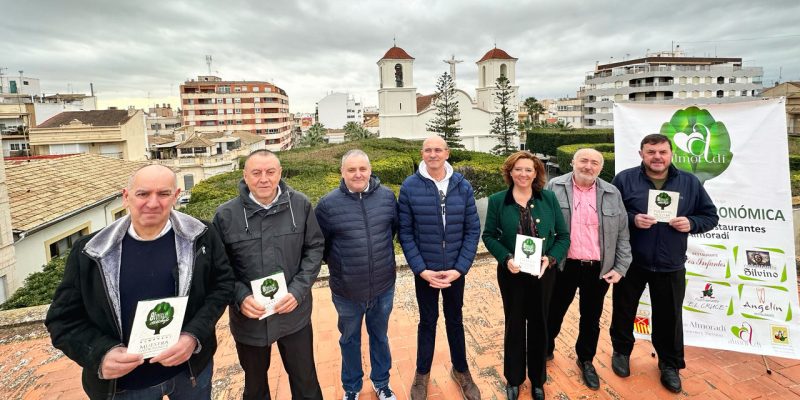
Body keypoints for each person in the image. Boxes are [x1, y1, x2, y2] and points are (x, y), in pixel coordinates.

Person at [45, 165, 234, 400]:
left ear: (176, 196)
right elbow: (62, 320)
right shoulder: (90, 251)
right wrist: (100, 354)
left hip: (190, 373)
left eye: (163, 194)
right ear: (126, 197)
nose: (153, 203)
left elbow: (222, 286)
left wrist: (192, 336)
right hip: (126, 387)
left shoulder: (202, 235)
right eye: (143, 194)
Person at [609, 134, 718, 393]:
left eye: (662, 152)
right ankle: (621, 352)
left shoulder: (689, 182)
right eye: (651, 152)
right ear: (641, 154)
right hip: (631, 261)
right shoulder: (624, 179)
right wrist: (632, 219)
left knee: (669, 317)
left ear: (671, 154)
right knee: (623, 310)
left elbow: (710, 216)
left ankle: (670, 364)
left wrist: (691, 223)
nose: (657, 157)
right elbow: (610, 213)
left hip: (670, 263)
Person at [212, 149, 324, 400]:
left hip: (294, 314)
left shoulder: (300, 205)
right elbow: (219, 267)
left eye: (270, 172)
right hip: (250, 320)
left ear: (280, 173)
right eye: (257, 172)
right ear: (245, 175)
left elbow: (315, 248)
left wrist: (298, 291)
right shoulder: (225, 215)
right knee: (255, 388)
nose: (264, 178)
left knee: (305, 382)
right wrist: (240, 297)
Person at [398, 136, 482, 400]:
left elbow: (472, 230)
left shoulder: (462, 185)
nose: (433, 154)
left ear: (447, 153)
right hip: (426, 271)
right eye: (428, 150)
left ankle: (461, 370)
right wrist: (421, 269)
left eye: (438, 150)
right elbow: (405, 233)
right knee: (427, 321)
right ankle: (422, 373)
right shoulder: (410, 187)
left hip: (455, 270)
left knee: (455, 320)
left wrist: (460, 268)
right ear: (422, 153)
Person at [482, 151, 570, 400]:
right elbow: (489, 235)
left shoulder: (548, 198)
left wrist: (550, 258)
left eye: (528, 169)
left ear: (536, 173)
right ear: (510, 172)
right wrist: (505, 258)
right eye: (518, 169)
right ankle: (514, 378)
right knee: (514, 324)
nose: (523, 174)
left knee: (540, 323)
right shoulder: (497, 201)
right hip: (512, 274)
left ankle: (538, 380)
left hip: (543, 274)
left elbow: (563, 236)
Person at [544, 148, 631, 390]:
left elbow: (623, 233)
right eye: (584, 160)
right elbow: (541, 224)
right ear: (573, 162)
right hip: (563, 265)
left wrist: (621, 266)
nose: (588, 166)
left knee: (591, 318)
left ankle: (585, 359)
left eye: (594, 163)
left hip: (598, 268)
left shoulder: (612, 192)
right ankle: (545, 349)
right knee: (553, 312)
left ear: (600, 168)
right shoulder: (554, 187)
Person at [316, 150, 399, 400]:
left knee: (380, 337)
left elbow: (392, 231)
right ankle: (351, 387)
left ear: (370, 170)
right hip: (347, 291)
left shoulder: (387, 197)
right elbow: (321, 246)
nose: (358, 174)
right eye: (351, 170)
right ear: (342, 172)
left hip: (383, 286)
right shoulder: (327, 205)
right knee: (349, 339)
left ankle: (382, 383)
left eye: (362, 169)